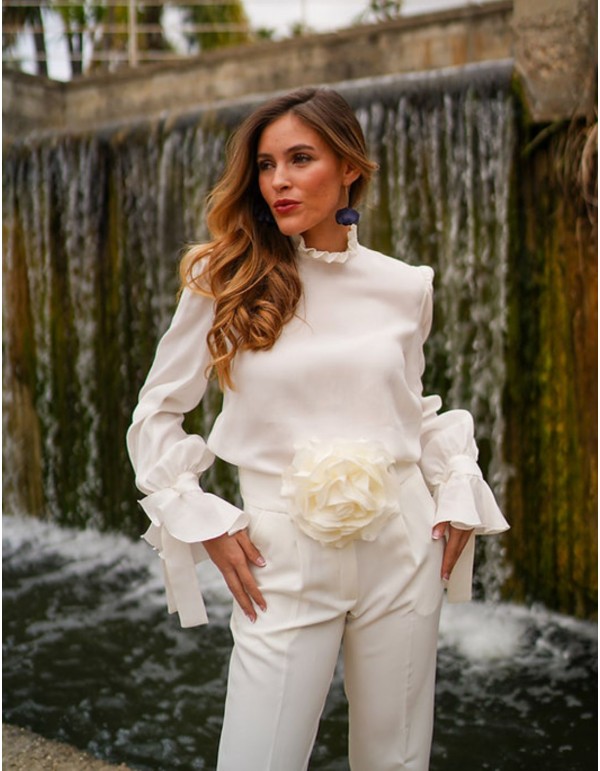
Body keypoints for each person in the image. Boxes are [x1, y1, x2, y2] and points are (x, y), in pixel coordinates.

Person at [126, 87, 509, 771]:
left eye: (300, 159)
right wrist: (201, 515)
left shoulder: (405, 285)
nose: (278, 181)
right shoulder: (224, 278)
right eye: (267, 164)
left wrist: (456, 483)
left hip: (402, 545)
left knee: (396, 760)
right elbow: (157, 411)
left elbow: (405, 404)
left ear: (349, 167)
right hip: (280, 557)